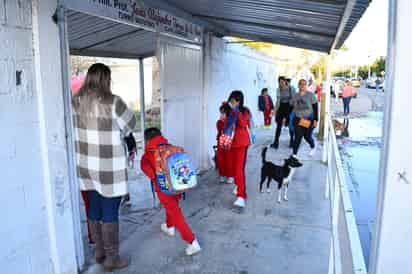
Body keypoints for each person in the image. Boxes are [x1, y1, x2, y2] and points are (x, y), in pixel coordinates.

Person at [72, 63, 137, 272]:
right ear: (106, 79)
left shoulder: (75, 101)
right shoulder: (113, 102)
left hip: (86, 166)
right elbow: (130, 124)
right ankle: (112, 259)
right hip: (108, 167)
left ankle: (99, 253)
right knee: (110, 211)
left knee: (93, 208)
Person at [140, 128, 201, 256]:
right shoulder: (170, 147)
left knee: (175, 213)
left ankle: (192, 242)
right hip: (177, 186)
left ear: (147, 140)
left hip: (163, 189)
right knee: (173, 208)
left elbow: (149, 173)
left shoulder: (147, 155)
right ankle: (169, 227)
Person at [225, 90, 251, 208]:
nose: (232, 102)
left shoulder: (245, 111)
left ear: (239, 101)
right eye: (231, 100)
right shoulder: (228, 110)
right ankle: (238, 184)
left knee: (239, 169)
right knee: (233, 167)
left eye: (234, 101)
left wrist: (236, 111)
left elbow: (243, 123)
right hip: (230, 143)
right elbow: (225, 125)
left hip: (241, 143)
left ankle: (241, 196)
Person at [290, 79, 319, 160]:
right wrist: (286, 117)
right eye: (301, 84)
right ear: (298, 85)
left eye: (304, 84)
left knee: (306, 136)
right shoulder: (295, 96)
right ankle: (294, 155)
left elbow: (315, 107)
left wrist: (316, 120)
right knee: (298, 137)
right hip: (297, 119)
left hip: (308, 119)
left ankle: (313, 146)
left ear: (306, 86)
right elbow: (291, 106)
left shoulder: (311, 95)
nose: (302, 86)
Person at [271, 76, 295, 149]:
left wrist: (291, 111)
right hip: (281, 107)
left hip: (290, 106)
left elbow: (293, 99)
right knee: (279, 125)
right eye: (279, 82)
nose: (281, 83)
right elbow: (278, 101)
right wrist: (274, 111)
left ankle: (291, 141)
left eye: (282, 82)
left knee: (290, 125)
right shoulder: (278, 89)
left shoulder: (291, 88)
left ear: (285, 82)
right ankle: (276, 142)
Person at [216, 102, 234, 184]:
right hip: (220, 142)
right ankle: (222, 174)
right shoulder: (219, 122)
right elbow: (220, 129)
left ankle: (230, 175)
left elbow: (232, 130)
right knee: (220, 159)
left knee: (229, 159)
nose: (221, 114)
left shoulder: (231, 121)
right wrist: (222, 121)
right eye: (221, 112)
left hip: (229, 143)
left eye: (223, 113)